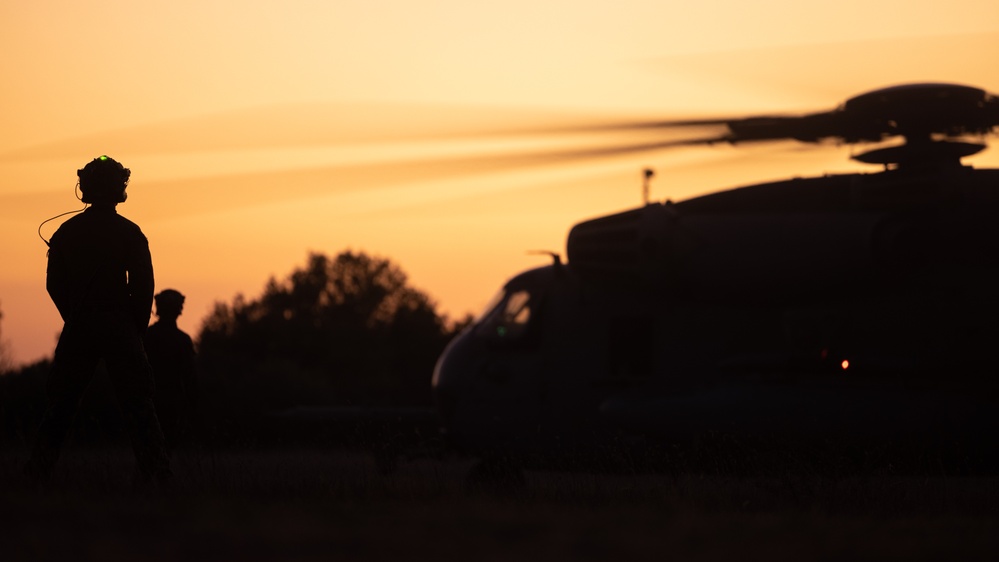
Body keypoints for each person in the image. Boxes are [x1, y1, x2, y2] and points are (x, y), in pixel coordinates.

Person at [24, 156, 171, 487]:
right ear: (120, 189)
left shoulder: (66, 232)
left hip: (80, 326)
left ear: (85, 189)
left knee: (61, 404)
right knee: (139, 404)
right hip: (121, 326)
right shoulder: (130, 233)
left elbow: (54, 284)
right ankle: (158, 474)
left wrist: (73, 315)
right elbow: (143, 287)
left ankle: (38, 472)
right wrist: (133, 327)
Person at [144, 289, 198, 453]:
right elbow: (190, 378)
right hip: (172, 403)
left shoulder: (147, 336)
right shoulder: (182, 340)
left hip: (149, 401)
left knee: (148, 448)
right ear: (179, 310)